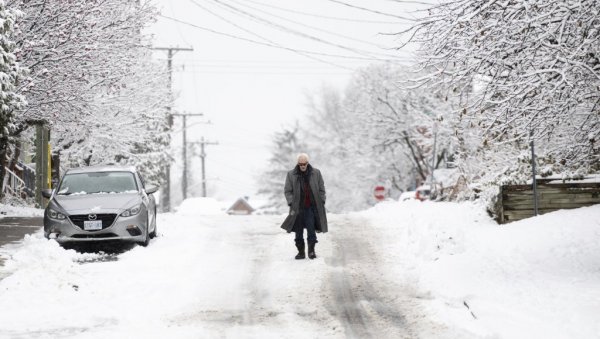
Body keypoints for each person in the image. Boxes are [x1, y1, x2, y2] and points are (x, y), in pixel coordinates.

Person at [280, 153, 328, 260]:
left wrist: (322, 200)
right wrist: (291, 202)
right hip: (297, 209)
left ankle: (311, 251)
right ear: (298, 163)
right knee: (298, 231)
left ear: (307, 163)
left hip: (311, 207)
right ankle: (301, 252)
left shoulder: (316, 173)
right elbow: (287, 191)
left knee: (311, 229)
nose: (302, 166)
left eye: (304, 164)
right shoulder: (291, 174)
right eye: (300, 164)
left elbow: (321, 189)